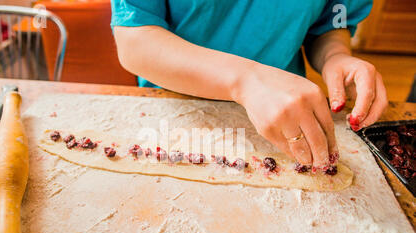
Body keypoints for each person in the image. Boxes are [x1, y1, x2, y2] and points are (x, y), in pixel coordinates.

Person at [110, 0, 388, 169]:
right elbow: (136, 38)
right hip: (176, 112)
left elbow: (331, 20)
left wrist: (335, 56)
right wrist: (247, 80)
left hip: (286, 115)